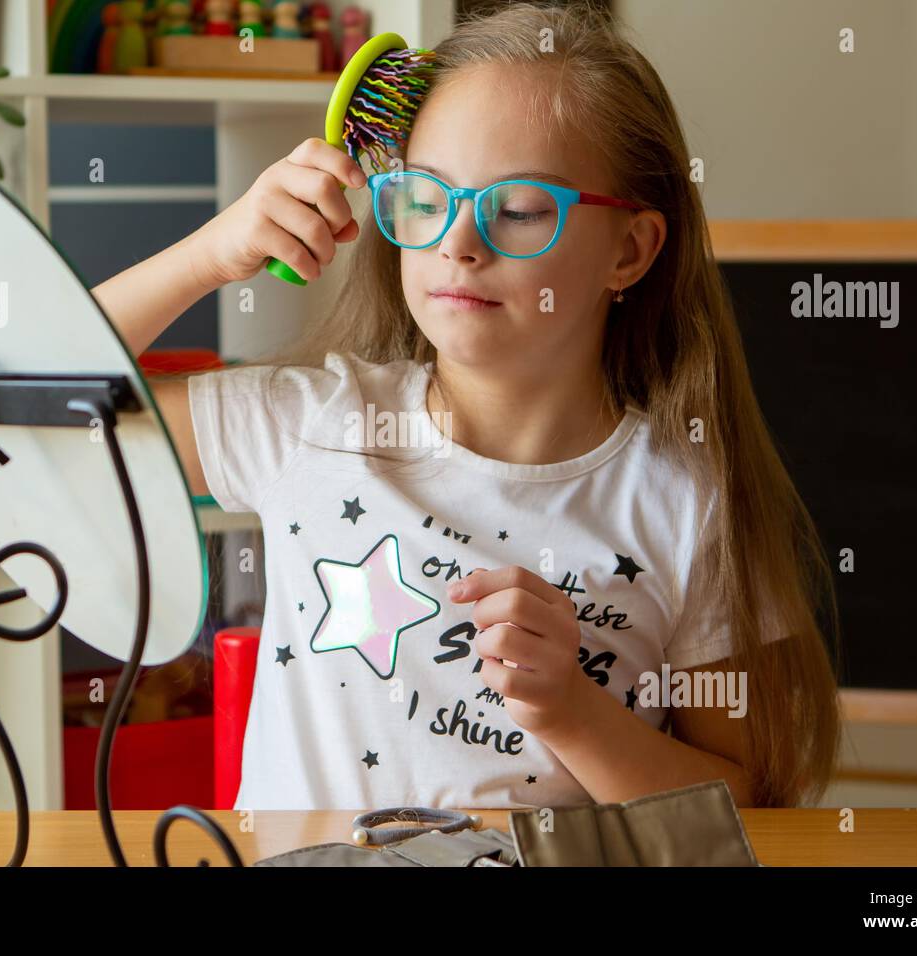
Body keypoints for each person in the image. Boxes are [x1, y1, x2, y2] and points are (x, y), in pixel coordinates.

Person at [92, 2, 841, 811]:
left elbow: (757, 813)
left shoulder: (687, 505)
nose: (458, 240)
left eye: (518, 210)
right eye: (426, 196)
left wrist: (573, 713)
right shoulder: (307, 428)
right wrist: (213, 253)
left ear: (629, 250)